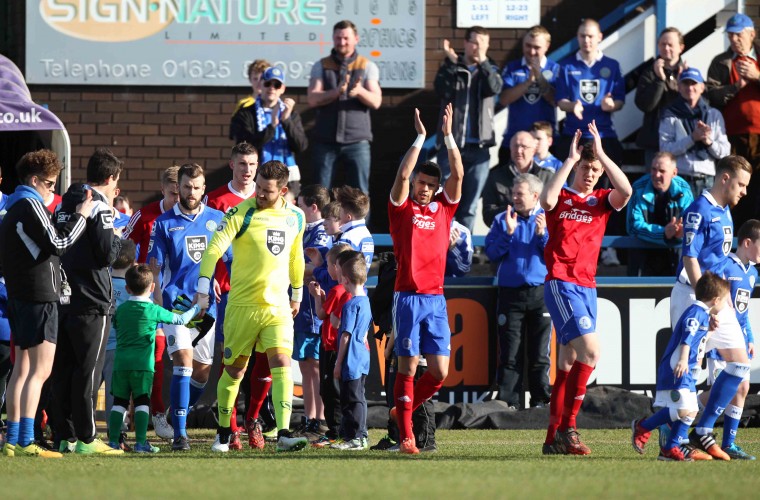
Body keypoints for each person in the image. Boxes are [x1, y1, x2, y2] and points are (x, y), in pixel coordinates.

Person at [195, 160, 308, 453]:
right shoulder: (240, 213)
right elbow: (214, 249)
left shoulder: (295, 216)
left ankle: (283, 433)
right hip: (242, 306)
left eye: (267, 191)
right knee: (234, 370)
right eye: (258, 187)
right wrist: (203, 288)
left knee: (282, 363)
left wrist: (297, 294)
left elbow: (296, 257)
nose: (259, 193)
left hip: (278, 307)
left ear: (282, 190)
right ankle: (223, 433)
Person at [540, 122, 632, 455]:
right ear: (576, 167)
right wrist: (568, 160)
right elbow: (546, 198)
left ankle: (552, 439)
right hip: (562, 282)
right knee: (591, 351)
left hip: (587, 286)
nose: (591, 173)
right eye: (586, 167)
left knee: (566, 362)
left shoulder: (601, 201)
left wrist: (604, 155)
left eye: (595, 169)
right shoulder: (563, 197)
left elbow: (627, 191)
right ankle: (569, 428)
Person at [0, 150, 92, 458]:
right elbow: (60, 243)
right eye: (50, 184)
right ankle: (26, 440)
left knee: (22, 369)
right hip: (39, 297)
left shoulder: (12, 206)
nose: (53, 190)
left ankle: (13, 439)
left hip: (21, 297)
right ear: (35, 180)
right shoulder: (30, 204)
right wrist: (82, 215)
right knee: (39, 371)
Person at [388, 103, 463, 454]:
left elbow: (458, 175)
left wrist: (447, 137)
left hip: (435, 299)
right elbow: (401, 176)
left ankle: (402, 410)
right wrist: (420, 137)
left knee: (439, 372)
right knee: (407, 367)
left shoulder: (444, 209)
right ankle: (406, 436)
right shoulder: (402, 209)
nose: (424, 188)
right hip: (407, 297)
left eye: (430, 185)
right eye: (422, 182)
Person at [669, 154, 752, 460]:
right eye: (741, 184)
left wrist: (723, 303)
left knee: (741, 366)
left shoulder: (725, 212)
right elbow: (690, 258)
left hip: (717, 300)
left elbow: (719, 264)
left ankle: (703, 431)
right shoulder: (699, 209)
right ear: (725, 178)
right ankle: (672, 440)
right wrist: (706, 304)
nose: (744, 191)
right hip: (694, 297)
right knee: (687, 370)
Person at [148, 163, 225, 452]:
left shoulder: (217, 219)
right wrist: (157, 303)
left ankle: (178, 412)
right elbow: (154, 267)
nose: (190, 192)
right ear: (177, 187)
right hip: (177, 304)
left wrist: (219, 281)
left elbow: (230, 259)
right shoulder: (164, 223)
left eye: (196, 187)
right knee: (183, 360)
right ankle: (180, 434)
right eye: (186, 186)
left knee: (202, 371)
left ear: (204, 189)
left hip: (205, 306)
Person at [52, 148, 123, 455]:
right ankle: (87, 437)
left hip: (64, 295)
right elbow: (108, 253)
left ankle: (63, 434)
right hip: (93, 298)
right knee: (88, 370)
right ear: (111, 178)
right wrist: (119, 235)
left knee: (63, 369)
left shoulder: (66, 202)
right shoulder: (101, 206)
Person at [108, 264, 206, 453]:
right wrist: (197, 308)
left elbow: (116, 324)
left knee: (119, 402)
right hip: (143, 365)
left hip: (120, 364)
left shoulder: (121, 310)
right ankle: (141, 443)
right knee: (142, 402)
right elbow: (180, 320)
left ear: (128, 288)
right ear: (152, 287)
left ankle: (113, 442)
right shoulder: (153, 310)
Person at [631, 271, 730, 461]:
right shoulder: (696, 312)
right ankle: (643, 427)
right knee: (685, 410)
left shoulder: (703, 314)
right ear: (716, 300)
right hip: (678, 367)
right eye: (725, 301)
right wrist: (684, 360)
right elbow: (687, 338)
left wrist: (709, 332)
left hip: (686, 370)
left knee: (691, 410)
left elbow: (698, 341)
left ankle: (670, 448)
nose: (725, 305)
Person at [204, 142, 258, 450]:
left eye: (252, 164)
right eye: (242, 164)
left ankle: (254, 421)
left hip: (262, 293)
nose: (247, 170)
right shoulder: (216, 200)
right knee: (233, 361)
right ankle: (231, 427)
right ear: (231, 164)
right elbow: (209, 244)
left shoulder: (266, 197)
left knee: (262, 361)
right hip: (228, 293)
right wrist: (209, 277)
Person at [122, 164, 179, 440]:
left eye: (182, 194)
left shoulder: (194, 217)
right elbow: (121, 247)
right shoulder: (145, 216)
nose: (179, 200)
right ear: (163, 190)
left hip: (180, 296)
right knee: (152, 360)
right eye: (173, 194)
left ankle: (169, 414)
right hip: (148, 298)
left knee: (188, 363)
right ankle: (153, 414)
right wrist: (138, 274)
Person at [485, 173, 551, 409]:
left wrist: (543, 236)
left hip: (540, 294)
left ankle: (541, 402)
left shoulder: (547, 219)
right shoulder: (502, 220)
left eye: (519, 194)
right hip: (510, 294)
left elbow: (556, 257)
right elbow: (491, 253)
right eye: (513, 193)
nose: (514, 198)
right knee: (509, 353)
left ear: (535, 196)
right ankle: (507, 404)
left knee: (540, 354)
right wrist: (508, 234)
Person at [700, 219, 760, 460]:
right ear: (747, 242)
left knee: (742, 387)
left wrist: (750, 337)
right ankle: (673, 418)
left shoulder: (752, 273)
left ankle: (729, 443)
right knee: (721, 390)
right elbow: (712, 301)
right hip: (722, 341)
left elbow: (742, 312)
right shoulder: (724, 267)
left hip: (739, 339)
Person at [433, 26, 502, 232]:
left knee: (470, 205)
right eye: (474, 42)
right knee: (445, 199)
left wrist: (483, 64)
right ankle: (440, 242)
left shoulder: (491, 68)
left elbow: (495, 88)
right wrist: (454, 65)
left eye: (482, 43)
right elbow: (441, 90)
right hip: (451, 145)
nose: (478, 47)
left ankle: (463, 251)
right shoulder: (450, 66)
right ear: (465, 43)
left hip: (480, 148)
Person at [307, 20, 382, 193]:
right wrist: (336, 92)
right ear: (333, 39)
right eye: (338, 38)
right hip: (325, 140)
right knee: (320, 192)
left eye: (346, 38)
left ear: (356, 39)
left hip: (357, 141)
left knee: (360, 193)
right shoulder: (322, 65)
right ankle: (320, 221)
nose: (342, 42)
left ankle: (362, 222)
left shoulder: (367, 65)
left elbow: (376, 101)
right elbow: (312, 98)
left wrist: (360, 92)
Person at [706, 13, 760, 229]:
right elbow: (712, 95)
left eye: (739, 35)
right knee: (734, 187)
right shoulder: (721, 62)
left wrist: (756, 77)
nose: (734, 40)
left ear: (752, 34)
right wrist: (735, 87)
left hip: (759, 134)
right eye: (730, 36)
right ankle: (733, 235)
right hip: (732, 136)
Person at [555, 19, 625, 165]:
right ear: (577, 37)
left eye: (590, 36)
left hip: (604, 135)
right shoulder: (565, 66)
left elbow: (620, 100)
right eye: (582, 36)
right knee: (572, 186)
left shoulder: (612, 65)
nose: (586, 40)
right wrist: (572, 106)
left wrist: (611, 105)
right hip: (573, 135)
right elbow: (561, 101)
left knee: (604, 186)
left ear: (600, 37)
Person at [230, 67, 308, 199]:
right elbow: (245, 146)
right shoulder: (246, 113)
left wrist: (286, 120)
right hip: (258, 177)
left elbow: (301, 146)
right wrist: (272, 125)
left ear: (282, 89)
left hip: (287, 178)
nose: (272, 88)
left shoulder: (291, 114)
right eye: (268, 83)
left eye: (276, 85)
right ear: (261, 85)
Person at [293, 184, 332, 440]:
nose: (297, 209)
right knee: (305, 365)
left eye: (301, 205)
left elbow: (309, 268)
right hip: (301, 309)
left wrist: (290, 266)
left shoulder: (322, 234)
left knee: (316, 366)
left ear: (313, 207)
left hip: (315, 309)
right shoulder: (302, 230)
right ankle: (309, 418)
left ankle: (321, 419)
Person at [659, 68, 731, 197]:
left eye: (694, 84)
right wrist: (692, 138)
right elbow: (664, 149)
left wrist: (708, 141)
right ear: (679, 87)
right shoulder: (670, 114)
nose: (690, 88)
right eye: (685, 83)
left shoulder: (713, 114)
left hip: (707, 179)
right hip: (679, 178)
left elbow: (725, 151)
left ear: (702, 87)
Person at [308, 243, 352, 446]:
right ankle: (344, 429)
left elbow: (322, 314)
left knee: (329, 390)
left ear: (337, 267)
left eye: (328, 265)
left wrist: (317, 297)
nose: (326, 270)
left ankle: (335, 431)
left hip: (331, 346)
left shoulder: (337, 289)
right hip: (340, 347)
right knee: (339, 390)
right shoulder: (348, 290)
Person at [626, 152, 694, 276]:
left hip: (674, 257)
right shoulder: (638, 187)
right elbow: (633, 226)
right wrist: (663, 233)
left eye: (662, 171)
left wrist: (681, 232)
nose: (656, 175)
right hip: (643, 257)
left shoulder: (684, 189)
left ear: (674, 173)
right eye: (653, 169)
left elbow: (691, 226)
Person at [499, 25, 559, 165]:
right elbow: (504, 99)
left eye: (537, 47)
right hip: (514, 142)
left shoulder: (555, 69)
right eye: (528, 46)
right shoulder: (512, 68)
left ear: (547, 46)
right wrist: (528, 83)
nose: (531, 51)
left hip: (543, 145)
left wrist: (539, 77)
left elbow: (554, 100)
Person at [330, 250, 371, 450]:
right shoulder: (366, 302)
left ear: (345, 280)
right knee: (357, 396)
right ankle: (351, 436)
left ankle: (358, 436)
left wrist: (338, 363)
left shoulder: (350, 305)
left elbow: (346, 335)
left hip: (352, 358)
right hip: (363, 356)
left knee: (352, 399)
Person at [101, 238, 136, 452]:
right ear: (133, 262)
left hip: (98, 343)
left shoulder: (103, 281)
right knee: (116, 393)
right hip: (119, 347)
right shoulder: (134, 289)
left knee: (89, 389)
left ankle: (80, 430)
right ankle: (117, 434)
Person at [635, 27, 687, 166]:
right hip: (654, 141)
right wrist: (659, 80)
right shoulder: (649, 73)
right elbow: (645, 105)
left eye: (670, 44)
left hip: (682, 140)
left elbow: (691, 105)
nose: (666, 48)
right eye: (663, 44)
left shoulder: (688, 73)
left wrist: (681, 83)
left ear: (681, 47)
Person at [481, 131, 552, 227]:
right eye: (515, 146)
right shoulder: (495, 177)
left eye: (524, 147)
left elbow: (558, 210)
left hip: (539, 235)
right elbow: (488, 215)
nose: (519, 150)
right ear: (510, 148)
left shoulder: (548, 177)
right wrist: (515, 210)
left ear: (534, 150)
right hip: (506, 235)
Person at [334, 185, 374, 270]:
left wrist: (316, 268)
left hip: (344, 283)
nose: (338, 213)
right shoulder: (366, 234)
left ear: (348, 217)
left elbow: (338, 271)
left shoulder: (347, 237)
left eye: (340, 210)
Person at [229, 58, 271, 140]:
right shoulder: (244, 104)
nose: (259, 83)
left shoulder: (277, 105)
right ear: (250, 80)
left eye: (262, 79)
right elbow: (234, 132)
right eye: (255, 79)